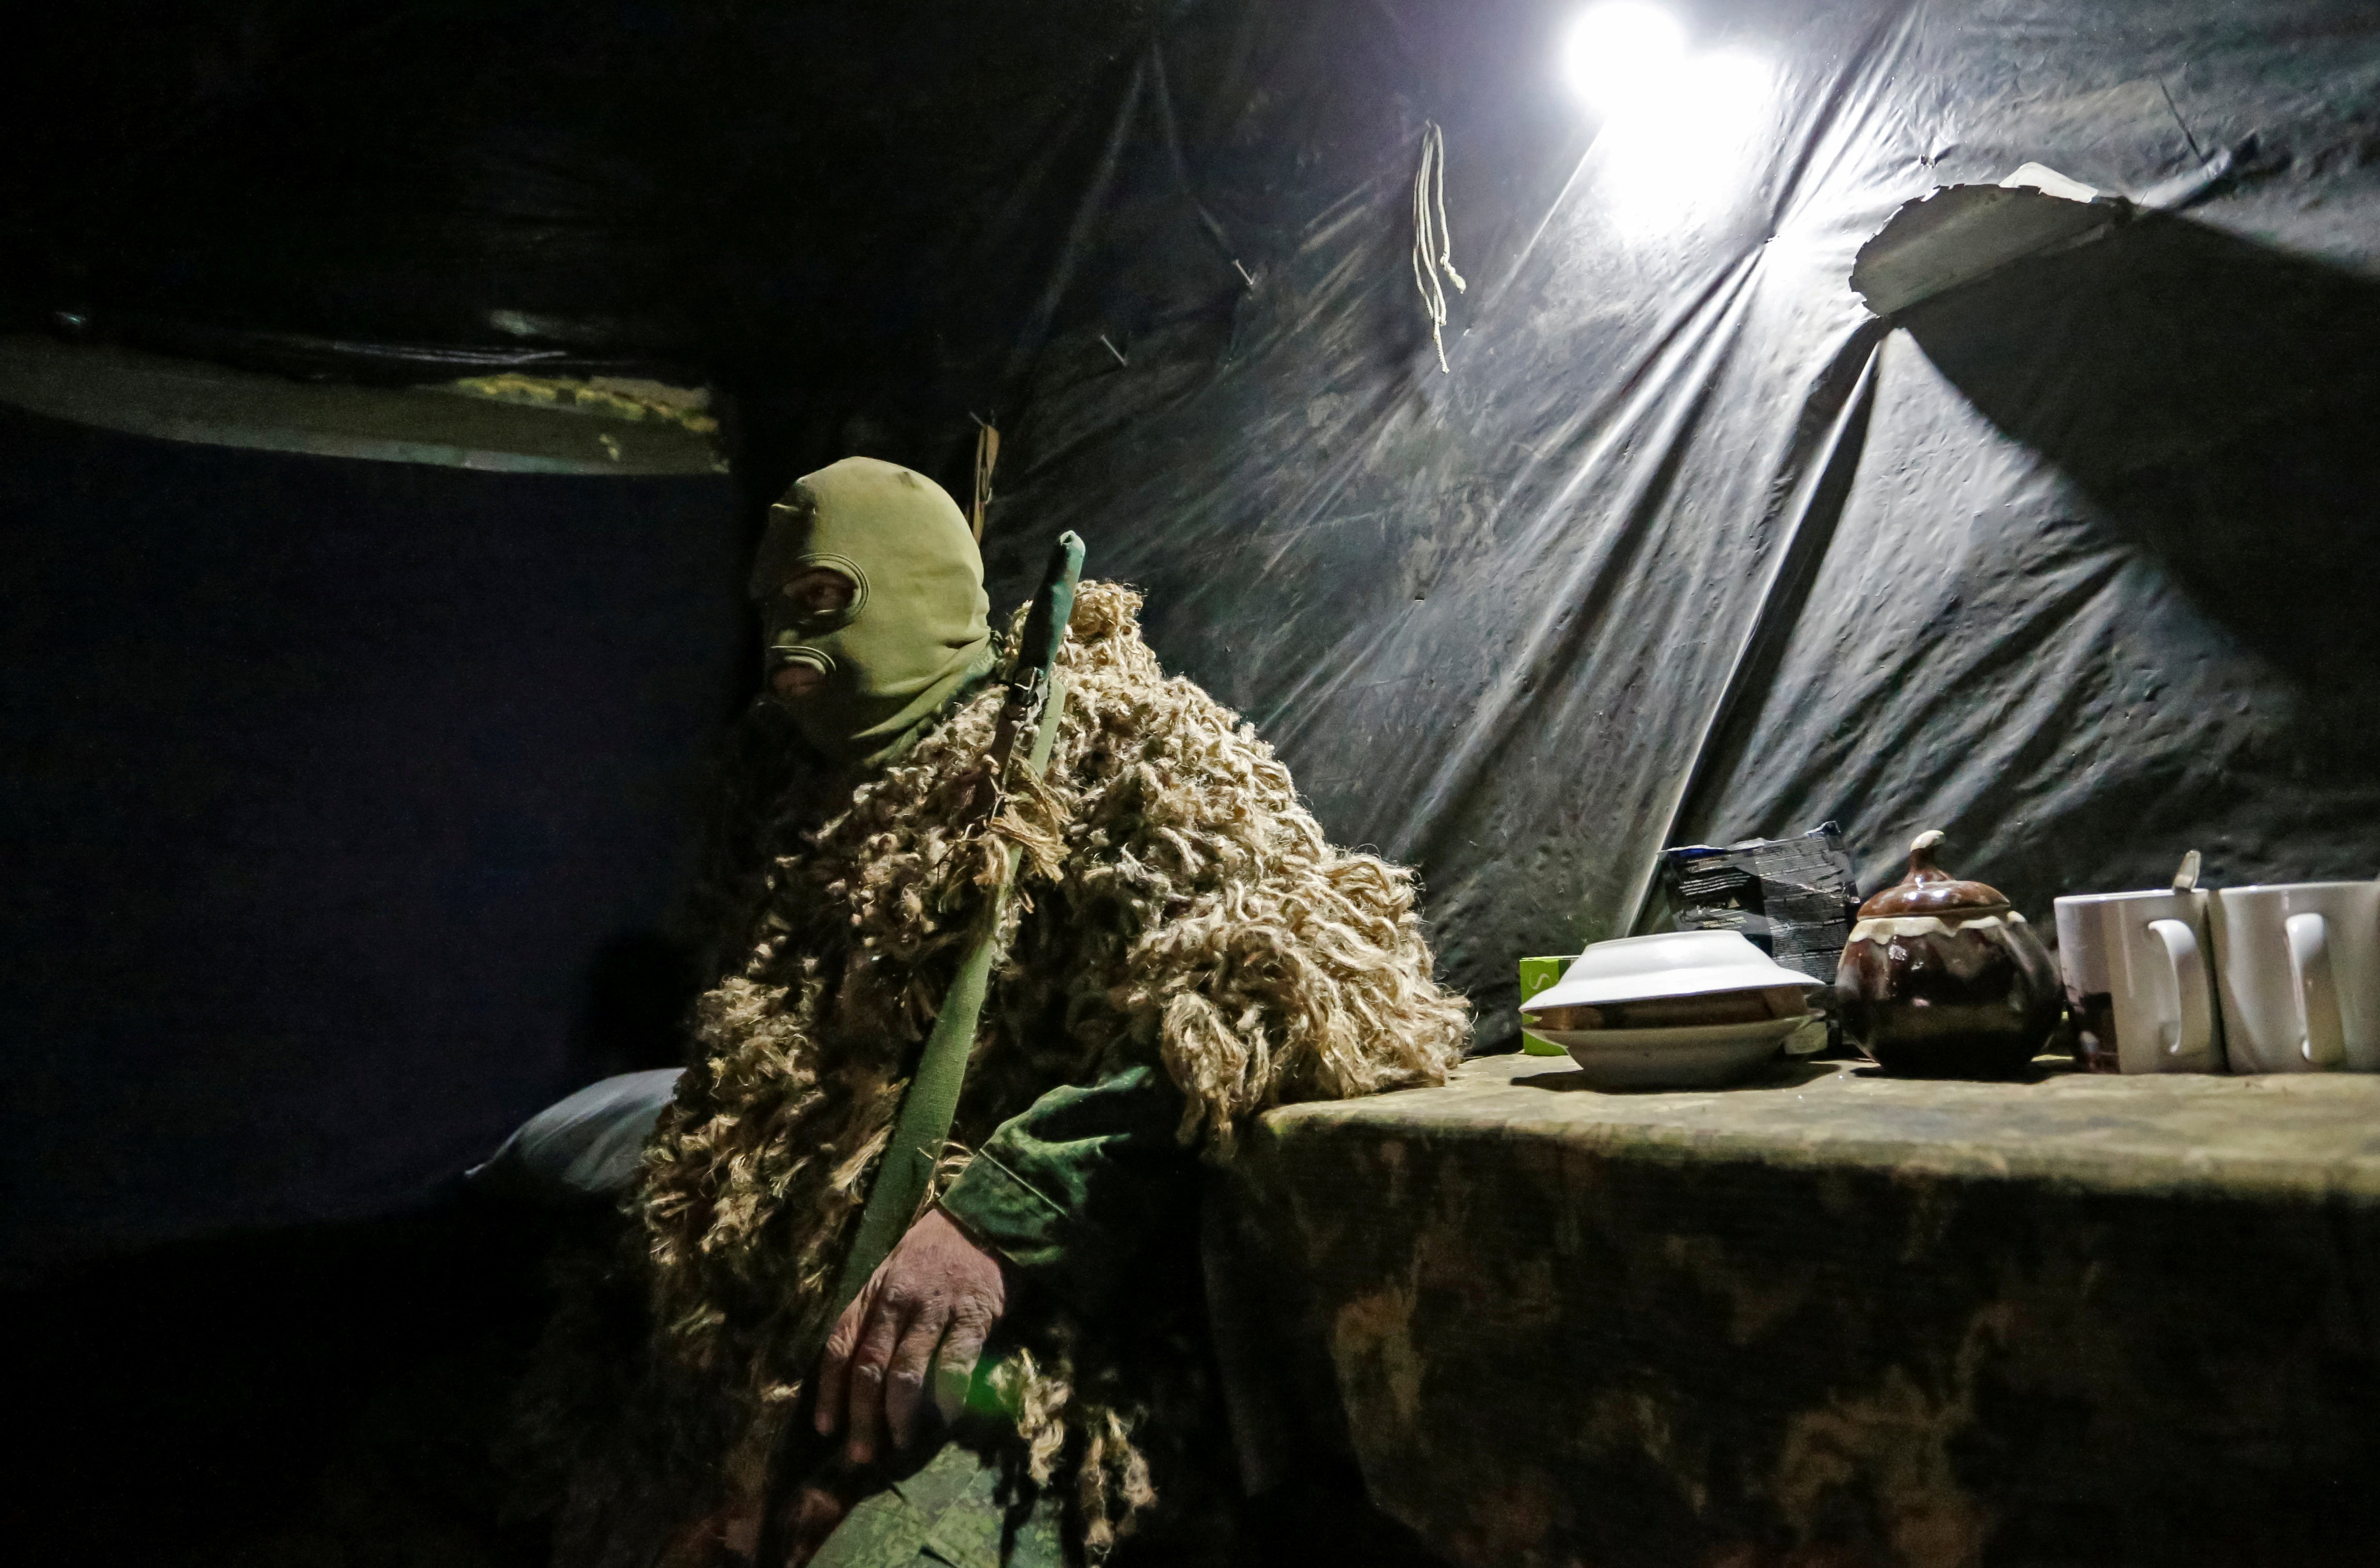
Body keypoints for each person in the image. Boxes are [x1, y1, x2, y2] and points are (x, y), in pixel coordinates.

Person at [514, 456, 1468, 1568]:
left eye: (823, 601)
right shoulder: (770, 806)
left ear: (914, 590)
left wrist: (1001, 1211)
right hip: (781, 1366)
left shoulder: (1104, 743)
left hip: (1036, 1349)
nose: (787, 644)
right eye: (773, 610)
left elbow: (1308, 987)